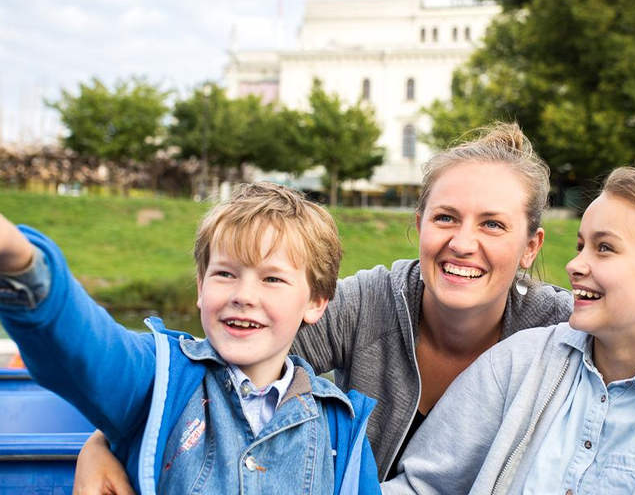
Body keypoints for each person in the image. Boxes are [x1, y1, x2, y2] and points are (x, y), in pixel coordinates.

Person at [73, 122, 574, 492]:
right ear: (419, 224)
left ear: (531, 246)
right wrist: (106, 439)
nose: (462, 243)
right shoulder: (368, 302)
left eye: (493, 225)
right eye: (445, 218)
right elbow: (230, 360)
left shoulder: (561, 327)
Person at [382, 167, 635, 494]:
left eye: (604, 249)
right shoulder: (517, 363)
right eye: (581, 245)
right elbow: (422, 487)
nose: (574, 265)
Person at [0, 183, 380, 494]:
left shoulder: (341, 426)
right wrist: (22, 263)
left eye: (272, 279)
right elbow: (87, 346)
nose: (243, 295)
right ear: (201, 286)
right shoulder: (158, 377)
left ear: (315, 302)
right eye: (225, 274)